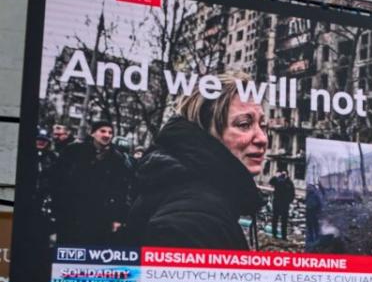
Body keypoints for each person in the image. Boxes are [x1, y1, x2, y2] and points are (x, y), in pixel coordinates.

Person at [123, 73, 267, 250]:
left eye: (263, 125)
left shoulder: (181, 188)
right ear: (205, 131)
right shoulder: (194, 219)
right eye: (244, 124)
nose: (262, 138)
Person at [49, 119, 133, 245]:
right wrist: (58, 208)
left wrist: (118, 218)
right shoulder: (74, 151)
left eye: (110, 132)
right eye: (102, 131)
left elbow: (121, 190)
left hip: (100, 217)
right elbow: (57, 180)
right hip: (71, 213)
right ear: (92, 133)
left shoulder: (117, 158)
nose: (107, 135)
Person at [268, 170, 295, 240]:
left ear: (287, 174)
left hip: (285, 204)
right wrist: (275, 176)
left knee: (284, 221)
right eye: (282, 174)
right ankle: (274, 234)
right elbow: (270, 182)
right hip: (277, 203)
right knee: (275, 219)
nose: (283, 175)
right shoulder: (277, 180)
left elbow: (292, 193)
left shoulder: (289, 182)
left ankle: (284, 236)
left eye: (284, 174)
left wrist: (288, 201)